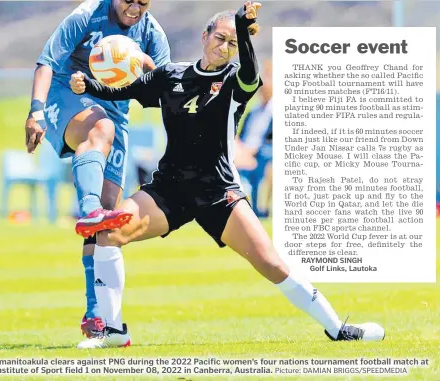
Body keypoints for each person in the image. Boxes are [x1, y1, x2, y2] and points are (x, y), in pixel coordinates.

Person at [70, 1, 385, 348]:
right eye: (220, 38)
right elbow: (125, 90)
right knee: (108, 232)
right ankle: (114, 332)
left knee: (271, 263)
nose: (224, 47)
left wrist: (241, 24)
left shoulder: (235, 81)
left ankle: (337, 327)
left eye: (232, 43)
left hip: (219, 193)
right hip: (169, 189)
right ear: (205, 36)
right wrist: (88, 85)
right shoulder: (171, 76)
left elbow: (251, 71)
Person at [24, 0, 171, 344]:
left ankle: (97, 317)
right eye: (128, 0)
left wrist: (147, 66)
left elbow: (167, 86)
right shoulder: (86, 15)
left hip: (116, 112)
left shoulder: (152, 32)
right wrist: (36, 112)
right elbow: (46, 62)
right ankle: (89, 210)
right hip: (67, 94)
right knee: (99, 132)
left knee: (106, 228)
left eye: (143, 2)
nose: (135, 8)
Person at [235, 59, 273, 217]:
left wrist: (252, 152)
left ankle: (259, 210)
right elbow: (240, 133)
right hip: (244, 151)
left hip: (262, 152)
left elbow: (271, 139)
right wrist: (240, 149)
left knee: (265, 158)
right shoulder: (253, 111)